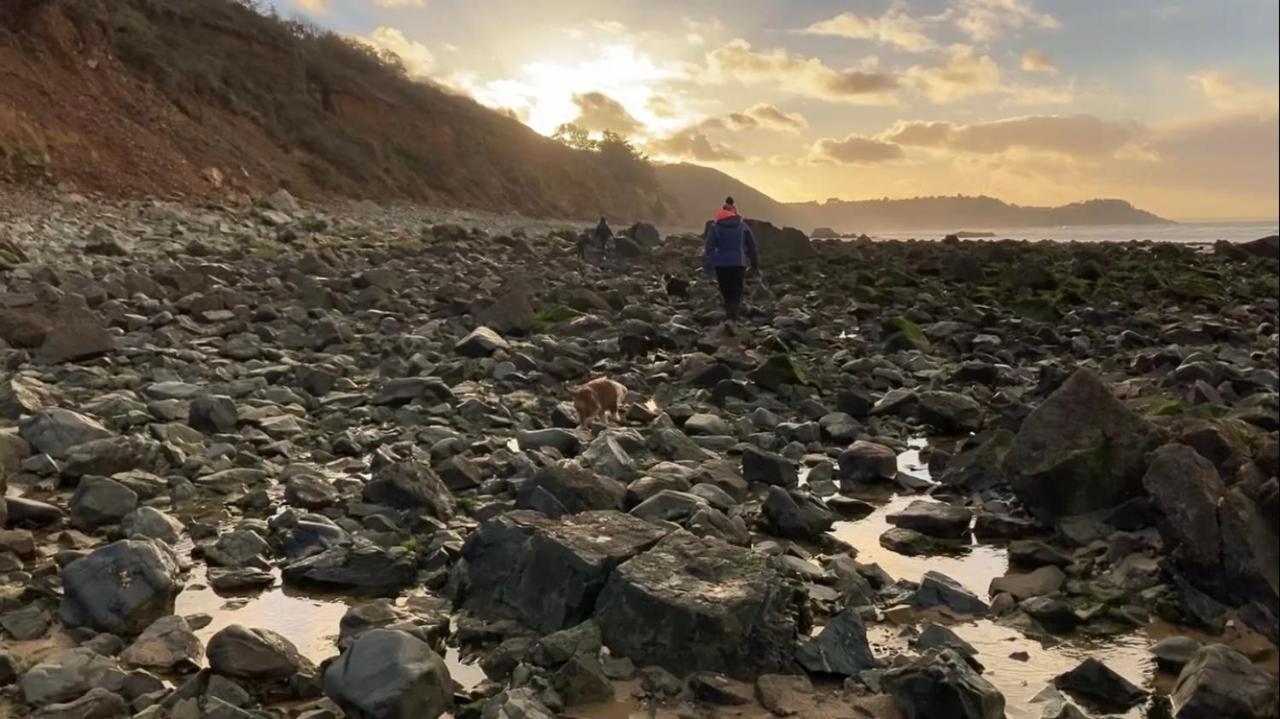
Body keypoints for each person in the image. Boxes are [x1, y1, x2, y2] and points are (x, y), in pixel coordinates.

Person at [702, 196, 758, 331]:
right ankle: (731, 318)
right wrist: (755, 264)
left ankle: (729, 318)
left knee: (726, 292)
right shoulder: (742, 225)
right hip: (738, 263)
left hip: (721, 264)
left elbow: (709, 247)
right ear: (734, 211)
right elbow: (751, 246)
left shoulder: (715, 227)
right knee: (736, 293)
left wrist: (708, 265)